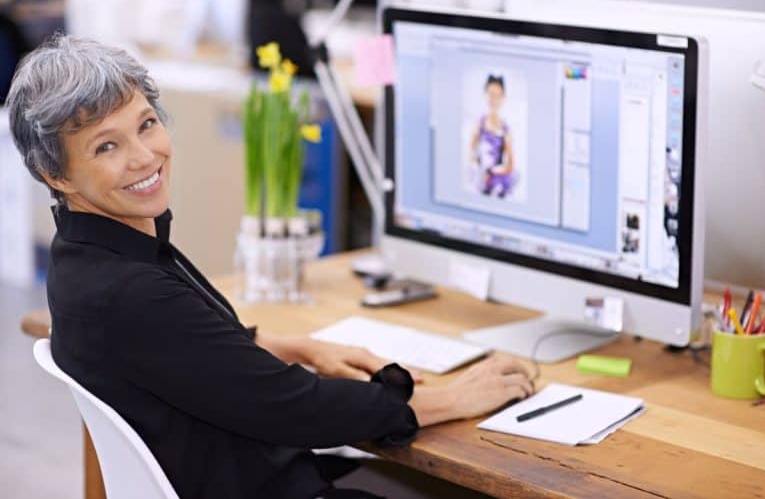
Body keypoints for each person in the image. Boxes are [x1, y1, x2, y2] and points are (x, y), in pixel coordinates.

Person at [7, 35, 533, 499]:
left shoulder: (91, 254)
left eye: (146, 125)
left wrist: (301, 347)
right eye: (106, 146)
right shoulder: (127, 292)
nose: (144, 157)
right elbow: (295, 408)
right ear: (57, 175)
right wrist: (453, 399)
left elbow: (195, 354)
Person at [469, 74, 517, 198]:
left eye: (497, 95)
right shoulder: (479, 124)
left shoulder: (505, 130)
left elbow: (510, 166)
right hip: (480, 178)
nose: (493, 99)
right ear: (485, 94)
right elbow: (471, 153)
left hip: (497, 178)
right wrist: (479, 170)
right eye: (490, 94)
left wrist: (491, 172)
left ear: (503, 98)